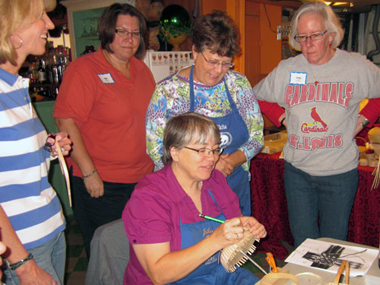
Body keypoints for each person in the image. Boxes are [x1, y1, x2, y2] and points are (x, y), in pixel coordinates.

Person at [253, 1, 380, 248]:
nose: (307, 44)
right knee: (304, 244)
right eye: (301, 37)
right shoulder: (288, 69)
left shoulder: (355, 66)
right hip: (297, 173)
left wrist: (364, 120)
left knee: (333, 245)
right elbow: (256, 95)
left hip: (339, 174)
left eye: (315, 36)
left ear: (331, 35)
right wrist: (281, 117)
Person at [53, 3, 155, 257]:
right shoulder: (84, 69)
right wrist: (89, 173)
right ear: (107, 32)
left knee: (141, 252)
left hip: (141, 180)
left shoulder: (142, 70)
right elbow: (65, 121)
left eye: (135, 33)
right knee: (109, 257)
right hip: (101, 183)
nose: (129, 39)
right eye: (122, 31)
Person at [123, 112, 267, 284]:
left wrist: (245, 226)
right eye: (201, 150)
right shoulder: (148, 198)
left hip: (218, 275)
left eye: (214, 150)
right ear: (174, 152)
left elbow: (233, 222)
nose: (212, 158)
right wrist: (214, 241)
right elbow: (159, 274)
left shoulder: (215, 180)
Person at [146, 11, 264, 217]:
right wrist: (209, 164)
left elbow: (256, 136)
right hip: (186, 194)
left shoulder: (238, 85)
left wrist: (228, 162)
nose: (218, 70)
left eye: (226, 63)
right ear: (195, 51)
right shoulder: (168, 92)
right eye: (212, 61)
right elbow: (156, 150)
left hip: (233, 187)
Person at [0, 0, 72, 284]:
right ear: (13, 26)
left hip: (50, 231)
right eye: (40, 16)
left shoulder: (15, 86)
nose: (51, 24)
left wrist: (50, 148)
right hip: (22, 247)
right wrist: (22, 264)